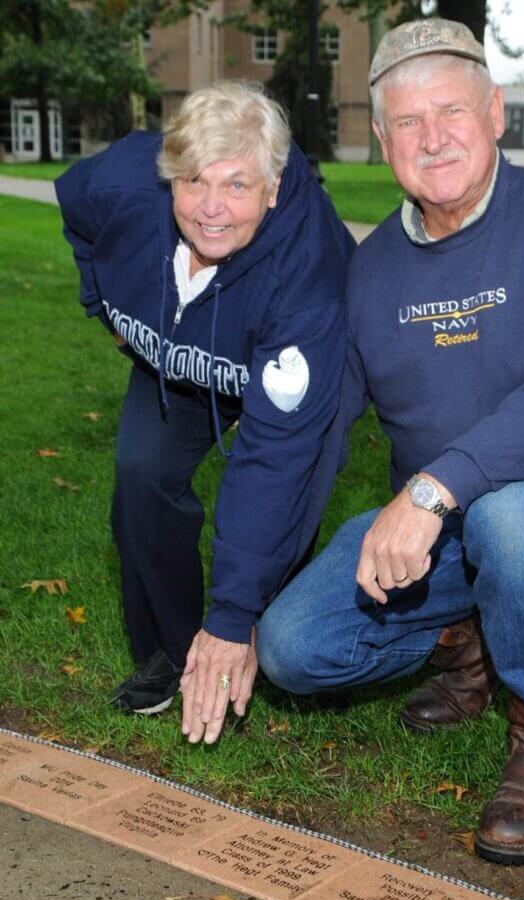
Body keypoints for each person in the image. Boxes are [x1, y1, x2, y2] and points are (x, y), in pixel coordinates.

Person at [255, 21, 524, 865]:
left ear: (493, 111)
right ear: (381, 137)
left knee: (507, 516)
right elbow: (319, 432)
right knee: (291, 650)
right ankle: (468, 637)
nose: (431, 137)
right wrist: (233, 608)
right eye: (407, 122)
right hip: (448, 525)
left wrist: (430, 491)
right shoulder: (371, 270)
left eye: (450, 111)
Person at [57, 80, 354, 745]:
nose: (212, 209)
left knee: (287, 493)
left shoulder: (309, 274)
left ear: (273, 187)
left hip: (282, 353)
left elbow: (274, 460)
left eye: (237, 186)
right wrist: (101, 301)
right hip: (184, 355)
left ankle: (258, 638)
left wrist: (231, 613)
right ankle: (169, 650)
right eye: (193, 183)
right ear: (167, 180)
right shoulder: (119, 185)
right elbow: (76, 209)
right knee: (141, 472)